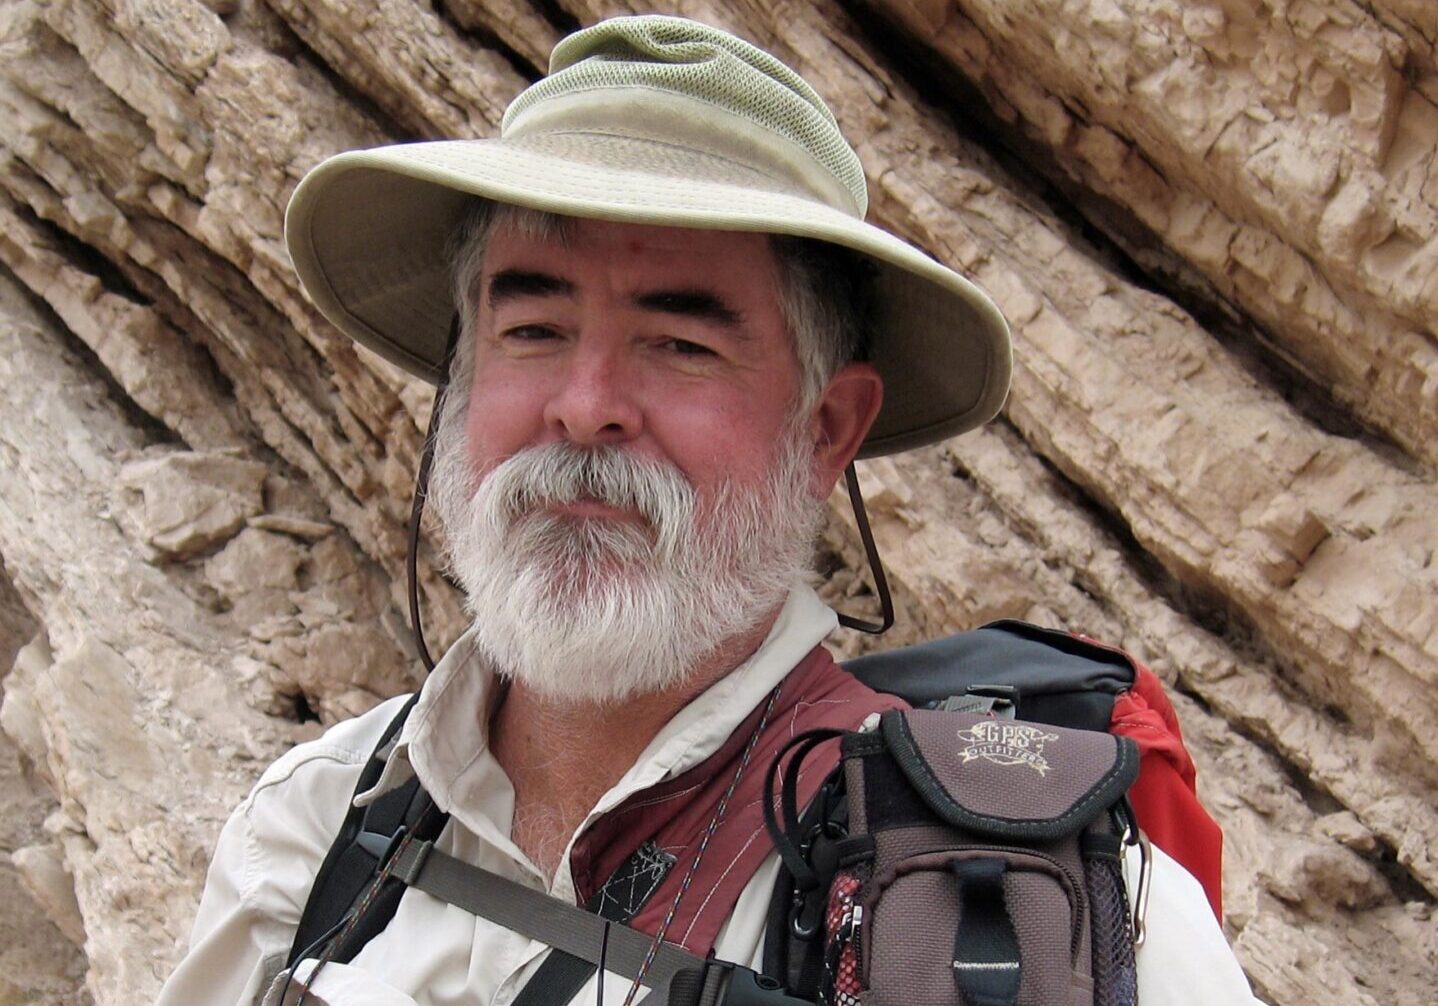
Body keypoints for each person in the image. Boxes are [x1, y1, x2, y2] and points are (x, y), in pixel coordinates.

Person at [158, 14, 1264, 1006]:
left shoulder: (1050, 917)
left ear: (827, 431)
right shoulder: (315, 826)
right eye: (531, 329)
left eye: (679, 344)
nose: (585, 408)